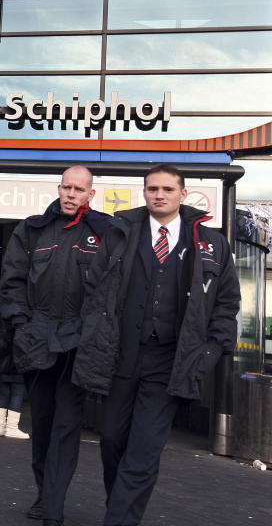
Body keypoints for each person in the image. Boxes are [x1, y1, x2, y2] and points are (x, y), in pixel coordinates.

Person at [73, 164, 240, 526]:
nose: (159, 195)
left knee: (144, 449)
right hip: (121, 357)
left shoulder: (210, 243)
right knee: (112, 440)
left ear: (183, 194)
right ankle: (120, 505)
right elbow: (94, 291)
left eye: (167, 189)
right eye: (152, 189)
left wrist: (211, 351)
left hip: (170, 362)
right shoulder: (120, 235)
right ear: (144, 193)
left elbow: (226, 304)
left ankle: (118, 520)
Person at [0, 165, 111, 526]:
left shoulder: (106, 233)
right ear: (59, 188)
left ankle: (53, 505)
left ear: (90, 195)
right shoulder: (31, 230)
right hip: (39, 342)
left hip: (79, 346)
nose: (71, 194)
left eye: (79, 189)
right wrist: (21, 324)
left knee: (67, 424)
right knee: (43, 424)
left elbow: (113, 289)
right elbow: (11, 282)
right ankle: (45, 491)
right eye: (67, 187)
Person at [0, 303, 29, 439]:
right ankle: (12, 428)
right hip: (18, 357)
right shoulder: (24, 312)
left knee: (3, 392)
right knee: (17, 392)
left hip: (0, 358)